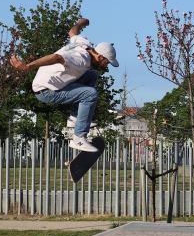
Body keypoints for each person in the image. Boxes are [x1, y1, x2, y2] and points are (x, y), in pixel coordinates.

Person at [10, 18, 119, 152]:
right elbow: (57, 57)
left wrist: (80, 23)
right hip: (46, 91)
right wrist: (28, 67)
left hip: (51, 84)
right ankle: (79, 138)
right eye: (107, 62)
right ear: (101, 57)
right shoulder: (81, 59)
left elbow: (72, 32)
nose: (106, 65)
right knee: (90, 94)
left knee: (91, 75)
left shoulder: (84, 43)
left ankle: (74, 117)